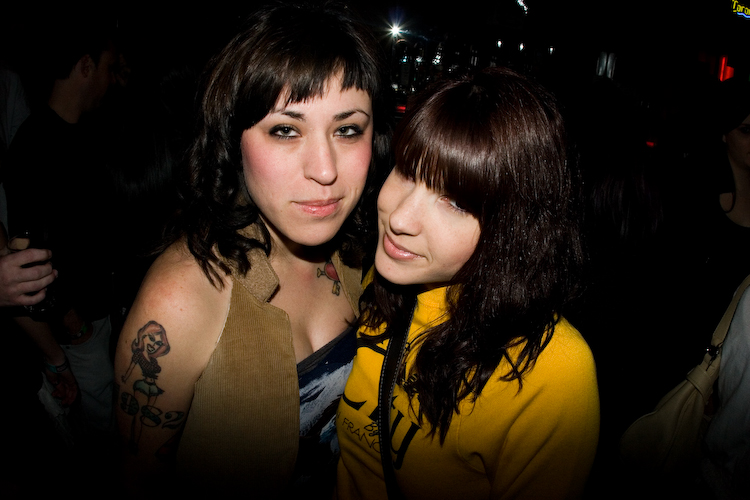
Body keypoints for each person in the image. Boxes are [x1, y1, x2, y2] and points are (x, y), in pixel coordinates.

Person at [113, 2, 390, 496]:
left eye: (347, 129)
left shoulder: (363, 251)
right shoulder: (179, 300)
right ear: (231, 140)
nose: (325, 170)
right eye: (286, 130)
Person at [336, 67, 600, 500]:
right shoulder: (373, 280)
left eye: (455, 202)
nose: (400, 219)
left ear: (511, 228)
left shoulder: (553, 374)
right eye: (407, 171)